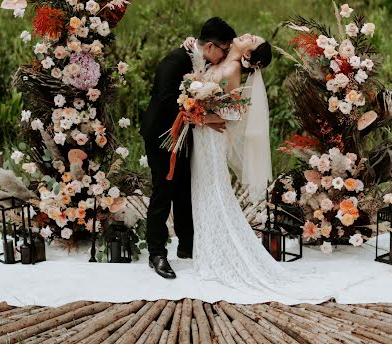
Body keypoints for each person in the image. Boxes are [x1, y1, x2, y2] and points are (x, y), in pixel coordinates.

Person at [189, 33, 337, 303]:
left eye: (252, 40)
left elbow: (233, 112)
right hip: (201, 133)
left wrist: (201, 115)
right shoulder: (221, 60)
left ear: (247, 55)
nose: (248, 35)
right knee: (203, 189)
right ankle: (209, 246)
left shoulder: (232, 69)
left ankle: (221, 251)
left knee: (215, 189)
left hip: (210, 136)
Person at [141, 17, 236, 279]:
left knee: (184, 189)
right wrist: (200, 116)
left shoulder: (201, 59)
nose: (224, 56)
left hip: (185, 134)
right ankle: (156, 253)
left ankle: (187, 245)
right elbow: (166, 100)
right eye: (224, 51)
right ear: (210, 47)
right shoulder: (175, 61)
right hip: (162, 133)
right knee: (164, 190)